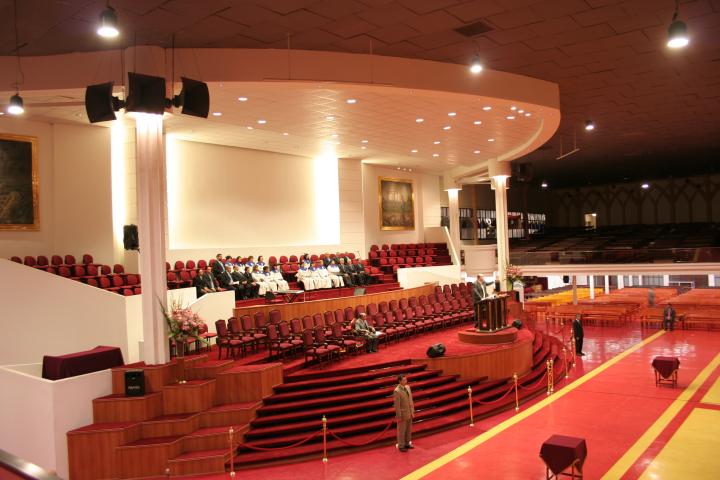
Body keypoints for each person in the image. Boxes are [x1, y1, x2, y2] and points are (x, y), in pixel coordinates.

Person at [393, 374, 414, 452]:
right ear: (400, 381)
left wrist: (412, 411)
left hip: (409, 412)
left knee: (408, 429)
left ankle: (407, 443)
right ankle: (401, 445)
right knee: (402, 430)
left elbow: (410, 399)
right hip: (402, 413)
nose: (406, 381)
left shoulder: (408, 387)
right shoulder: (397, 391)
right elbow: (397, 405)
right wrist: (399, 416)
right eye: (404, 380)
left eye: (406, 379)